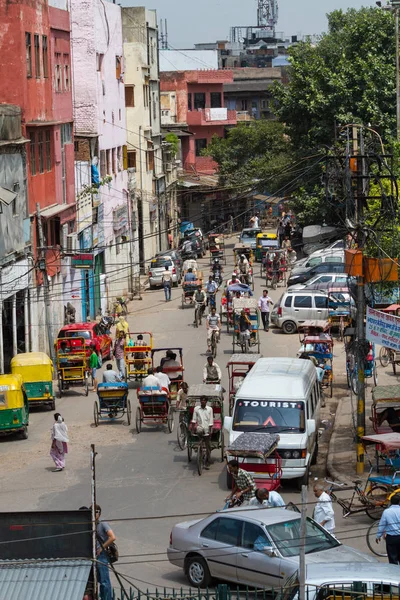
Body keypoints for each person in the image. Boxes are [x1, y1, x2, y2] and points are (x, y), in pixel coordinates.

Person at [95, 504, 116, 600]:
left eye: (96, 512)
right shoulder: (91, 524)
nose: (94, 514)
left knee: (104, 581)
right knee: (98, 581)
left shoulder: (102, 524)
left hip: (102, 555)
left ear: (99, 513)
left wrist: (101, 548)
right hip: (94, 556)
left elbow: (112, 537)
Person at [190, 395, 214, 469]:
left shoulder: (210, 409)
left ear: (206, 401)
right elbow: (194, 419)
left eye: (204, 400)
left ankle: (208, 460)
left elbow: (210, 420)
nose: (202, 401)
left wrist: (210, 430)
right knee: (199, 431)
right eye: (201, 400)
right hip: (200, 427)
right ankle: (199, 446)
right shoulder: (196, 409)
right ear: (200, 401)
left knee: (208, 446)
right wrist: (193, 429)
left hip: (207, 428)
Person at [376, 494, 400, 564]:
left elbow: (382, 525)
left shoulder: (386, 512)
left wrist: (378, 536)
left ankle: (394, 574)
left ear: (391, 502)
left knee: (392, 559)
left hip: (391, 538)